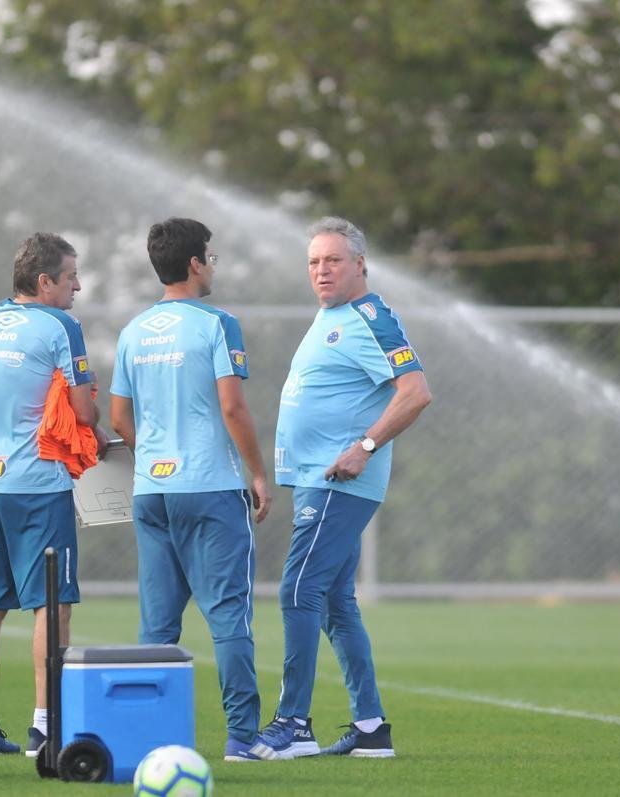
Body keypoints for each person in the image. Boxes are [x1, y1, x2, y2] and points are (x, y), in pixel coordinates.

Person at [251, 216, 432, 761]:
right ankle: (371, 729)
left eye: (333, 260)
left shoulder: (370, 316)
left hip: (339, 483)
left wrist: (365, 447)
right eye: (313, 262)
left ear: (360, 265)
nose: (322, 270)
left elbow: (416, 392)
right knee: (334, 603)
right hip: (314, 482)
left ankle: (293, 723)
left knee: (296, 591)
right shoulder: (330, 317)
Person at [109, 217, 273, 762]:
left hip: (151, 492)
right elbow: (232, 406)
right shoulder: (217, 323)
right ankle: (244, 740)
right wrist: (257, 472)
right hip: (209, 487)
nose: (214, 265)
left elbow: (118, 417)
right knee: (228, 616)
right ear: (196, 263)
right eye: (212, 256)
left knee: (157, 624)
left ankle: (149, 739)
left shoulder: (133, 331)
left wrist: (153, 455)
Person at [0, 231, 108, 756]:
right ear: (45, 281)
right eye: (71, 276)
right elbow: (82, 412)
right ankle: (45, 724)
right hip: (39, 483)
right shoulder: (62, 325)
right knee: (53, 602)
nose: (78, 286)